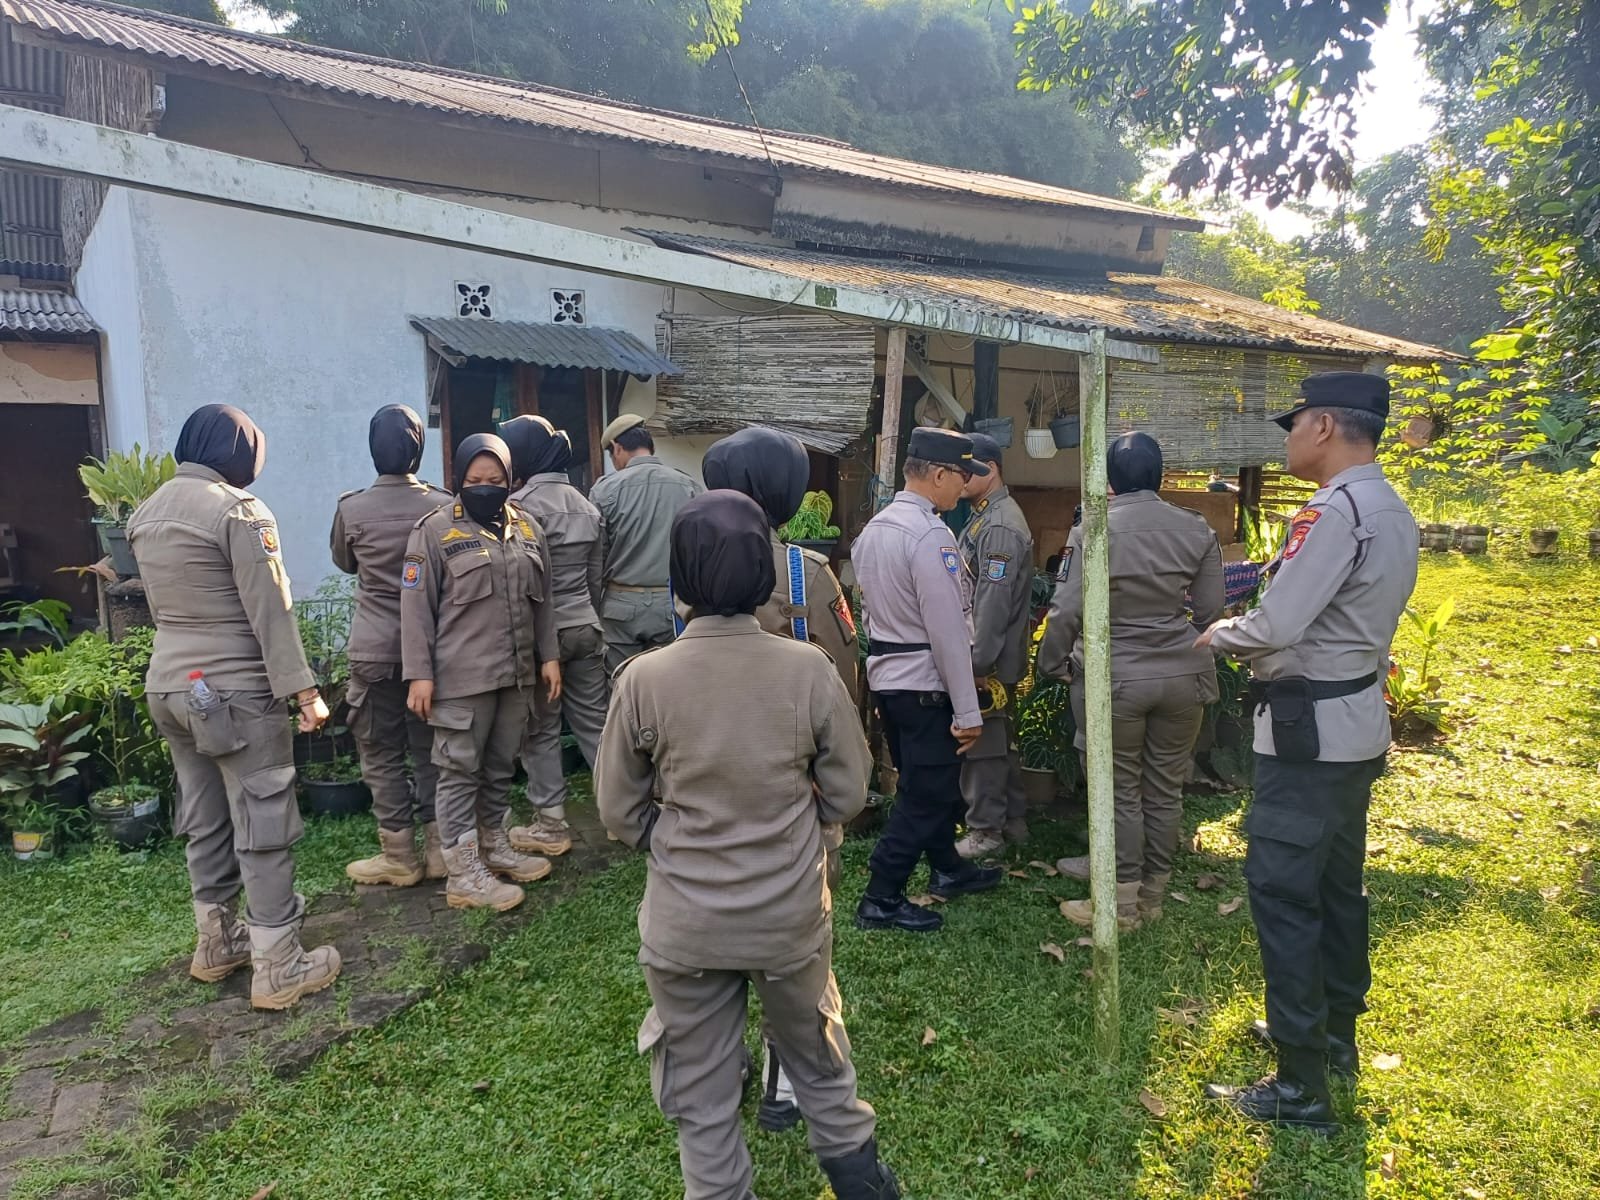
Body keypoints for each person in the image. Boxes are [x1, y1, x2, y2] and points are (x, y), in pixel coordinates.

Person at [595, 490, 899, 1200]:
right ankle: (863, 1186)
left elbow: (617, 811)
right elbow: (850, 794)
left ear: (681, 581)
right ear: (765, 574)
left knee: (700, 1103)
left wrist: (671, 840)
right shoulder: (807, 670)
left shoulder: (643, 680)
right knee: (820, 1066)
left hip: (685, 926)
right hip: (788, 916)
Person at [1194, 372, 1417, 1130]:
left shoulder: (1334, 512)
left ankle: (1298, 1087)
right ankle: (1333, 1038)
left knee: (1284, 895)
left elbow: (1275, 624)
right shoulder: (1390, 508)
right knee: (1335, 888)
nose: (1286, 439)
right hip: (1352, 730)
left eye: (1293, 425)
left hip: (1307, 739)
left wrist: (1217, 635)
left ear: (1323, 426)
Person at [128, 404, 341, 1011]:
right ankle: (279, 965)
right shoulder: (238, 510)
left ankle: (217, 942)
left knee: (204, 815)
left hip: (170, 685)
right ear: (239, 450)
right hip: (234, 691)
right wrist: (305, 691)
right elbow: (269, 608)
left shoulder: (147, 513)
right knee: (263, 816)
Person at [700, 424, 861, 1135]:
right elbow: (845, 682)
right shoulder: (808, 574)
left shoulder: (689, 568)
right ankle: (787, 1082)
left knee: (702, 948)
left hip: (700, 795)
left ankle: (710, 1062)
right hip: (796, 800)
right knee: (801, 948)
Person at [1036, 431, 1224, 931]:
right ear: (1159, 476)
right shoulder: (1197, 528)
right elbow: (1209, 613)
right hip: (1183, 674)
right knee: (1164, 787)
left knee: (1119, 789)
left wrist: (1051, 663)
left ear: (1109, 480)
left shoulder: (1093, 529)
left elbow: (1067, 609)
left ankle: (1119, 905)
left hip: (1114, 676)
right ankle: (1153, 895)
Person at [400, 433, 562, 911]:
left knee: (498, 767)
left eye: (496, 480)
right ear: (459, 478)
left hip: (515, 675)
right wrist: (419, 674)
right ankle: (463, 871)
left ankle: (494, 845)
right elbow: (415, 608)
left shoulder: (528, 528)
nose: (486, 487)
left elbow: (545, 600)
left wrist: (549, 656)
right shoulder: (432, 531)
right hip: (459, 681)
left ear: (510, 480)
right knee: (457, 772)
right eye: (475, 480)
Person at [851, 427, 1003, 934]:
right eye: (961, 476)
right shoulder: (930, 535)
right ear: (938, 474)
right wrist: (967, 709)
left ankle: (947, 866)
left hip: (891, 681)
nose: (964, 486)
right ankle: (881, 894)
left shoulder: (874, 529)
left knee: (927, 782)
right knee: (926, 793)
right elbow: (947, 633)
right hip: (924, 682)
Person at [332, 404, 453, 887]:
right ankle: (442, 850)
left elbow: (345, 562)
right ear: (420, 448)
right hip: (433, 647)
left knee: (380, 750)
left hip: (374, 649)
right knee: (431, 747)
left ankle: (399, 856)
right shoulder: (443, 505)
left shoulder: (350, 509)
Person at [499, 414, 608, 858]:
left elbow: (517, 583)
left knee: (540, 729)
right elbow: (598, 576)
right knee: (596, 723)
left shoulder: (519, 508)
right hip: (585, 625)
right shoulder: (587, 505)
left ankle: (550, 824)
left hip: (541, 636)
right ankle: (625, 812)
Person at [951, 431, 1035, 860]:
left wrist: (976, 664)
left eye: (969, 469)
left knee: (982, 741)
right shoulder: (986, 516)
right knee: (1000, 738)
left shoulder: (999, 526)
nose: (960, 477)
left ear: (992, 469)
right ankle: (1013, 820)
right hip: (996, 654)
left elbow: (991, 605)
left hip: (990, 657)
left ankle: (986, 831)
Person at [589, 413, 703, 673]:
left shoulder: (605, 490)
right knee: (668, 684)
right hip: (672, 603)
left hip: (620, 606)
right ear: (649, 446)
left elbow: (596, 557)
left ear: (617, 448)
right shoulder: (688, 486)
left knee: (620, 682)